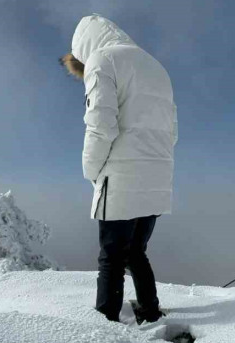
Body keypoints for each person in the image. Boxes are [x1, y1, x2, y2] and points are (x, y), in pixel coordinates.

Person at [60, 15, 177, 323]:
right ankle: (150, 311)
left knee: (111, 257)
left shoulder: (102, 60)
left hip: (120, 176)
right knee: (137, 251)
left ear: (83, 45)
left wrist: (92, 170)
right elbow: (172, 131)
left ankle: (107, 322)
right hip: (158, 175)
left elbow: (100, 124)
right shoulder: (156, 68)